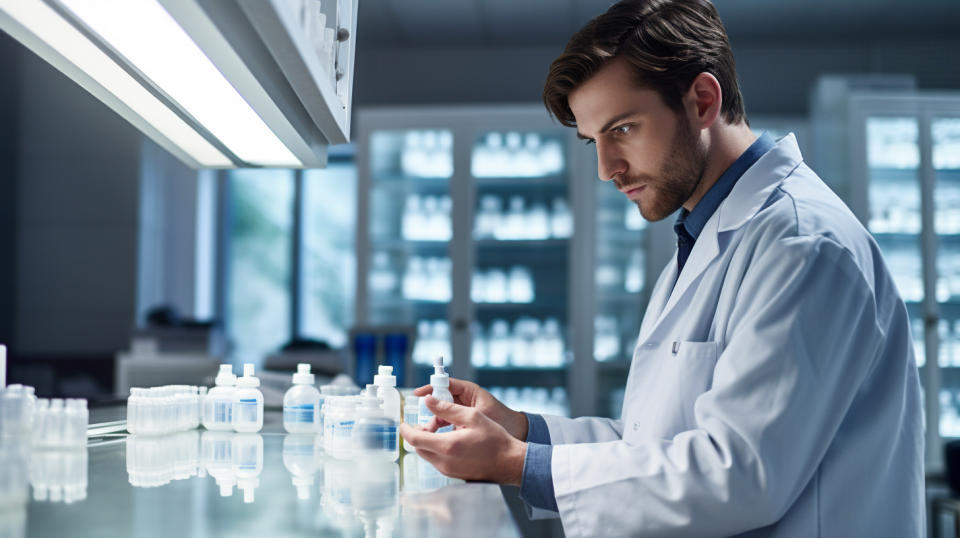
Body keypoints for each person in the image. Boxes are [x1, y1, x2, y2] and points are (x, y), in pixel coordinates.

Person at [398, 0, 925, 536]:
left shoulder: (804, 246)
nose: (606, 168)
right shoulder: (703, 236)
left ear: (701, 100)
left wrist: (514, 462)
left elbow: (738, 472)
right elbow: (657, 444)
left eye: (622, 129)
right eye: (593, 141)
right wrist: (518, 430)